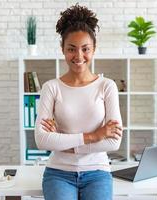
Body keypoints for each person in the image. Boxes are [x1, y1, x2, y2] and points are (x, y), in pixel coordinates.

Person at [34, 4, 122, 200]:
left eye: (85, 49)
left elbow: (114, 141)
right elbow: (42, 140)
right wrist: (95, 135)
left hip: (98, 173)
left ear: (94, 49)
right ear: (63, 49)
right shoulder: (51, 88)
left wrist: (62, 142)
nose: (79, 56)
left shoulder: (107, 86)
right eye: (71, 49)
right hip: (58, 173)